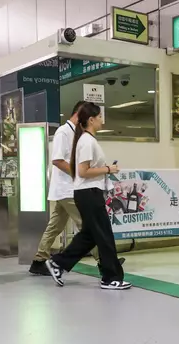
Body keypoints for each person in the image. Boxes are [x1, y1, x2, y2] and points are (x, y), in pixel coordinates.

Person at [30, 100, 125, 276]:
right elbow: (58, 160)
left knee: (56, 226)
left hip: (71, 188)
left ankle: (39, 259)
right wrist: (79, 174)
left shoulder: (80, 135)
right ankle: (103, 261)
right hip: (68, 188)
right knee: (90, 227)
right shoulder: (63, 132)